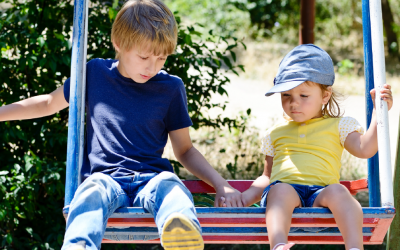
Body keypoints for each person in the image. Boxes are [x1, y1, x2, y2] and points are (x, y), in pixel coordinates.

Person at [0, 0, 244, 249]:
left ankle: (181, 233)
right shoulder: (94, 73)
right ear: (119, 44)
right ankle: (78, 245)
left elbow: (185, 150)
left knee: (174, 190)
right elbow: (49, 103)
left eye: (161, 58)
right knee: (89, 195)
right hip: (105, 178)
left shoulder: (170, 87)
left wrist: (221, 184)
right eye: (144, 56)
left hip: (153, 178)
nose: (153, 66)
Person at [236, 44, 392, 250]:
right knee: (280, 189)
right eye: (286, 95)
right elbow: (267, 176)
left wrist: (378, 114)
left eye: (303, 96)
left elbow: (365, 149)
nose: (294, 103)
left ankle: (354, 247)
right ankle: (279, 245)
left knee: (338, 190)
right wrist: (244, 198)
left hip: (322, 197)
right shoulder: (276, 131)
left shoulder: (339, 125)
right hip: (287, 199)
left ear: (325, 96)